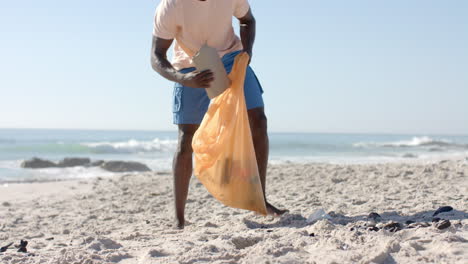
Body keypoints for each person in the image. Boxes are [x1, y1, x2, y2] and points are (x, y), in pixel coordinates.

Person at [150, 0, 287, 229]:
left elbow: (247, 20)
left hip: (232, 59)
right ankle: (179, 218)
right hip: (190, 67)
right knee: (186, 140)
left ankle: (261, 199)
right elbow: (156, 56)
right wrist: (183, 79)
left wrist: (247, 51)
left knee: (259, 121)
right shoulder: (171, 6)